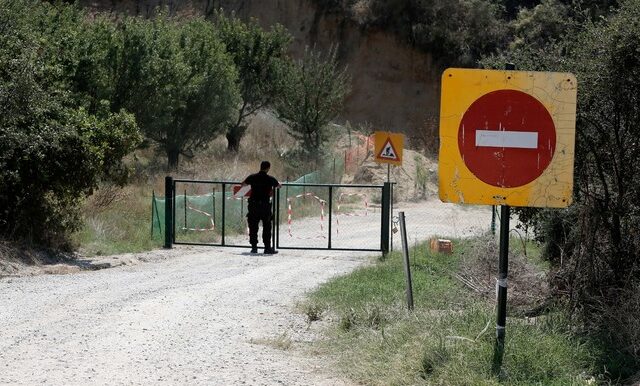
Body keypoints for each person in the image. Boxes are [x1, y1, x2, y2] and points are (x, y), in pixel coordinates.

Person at [241, 161, 281, 254]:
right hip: (265, 206)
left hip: (253, 205)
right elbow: (279, 186)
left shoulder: (252, 177)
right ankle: (267, 248)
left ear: (261, 167)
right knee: (267, 226)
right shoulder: (270, 179)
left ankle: (254, 247)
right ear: (268, 168)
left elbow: (243, 184)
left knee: (253, 227)